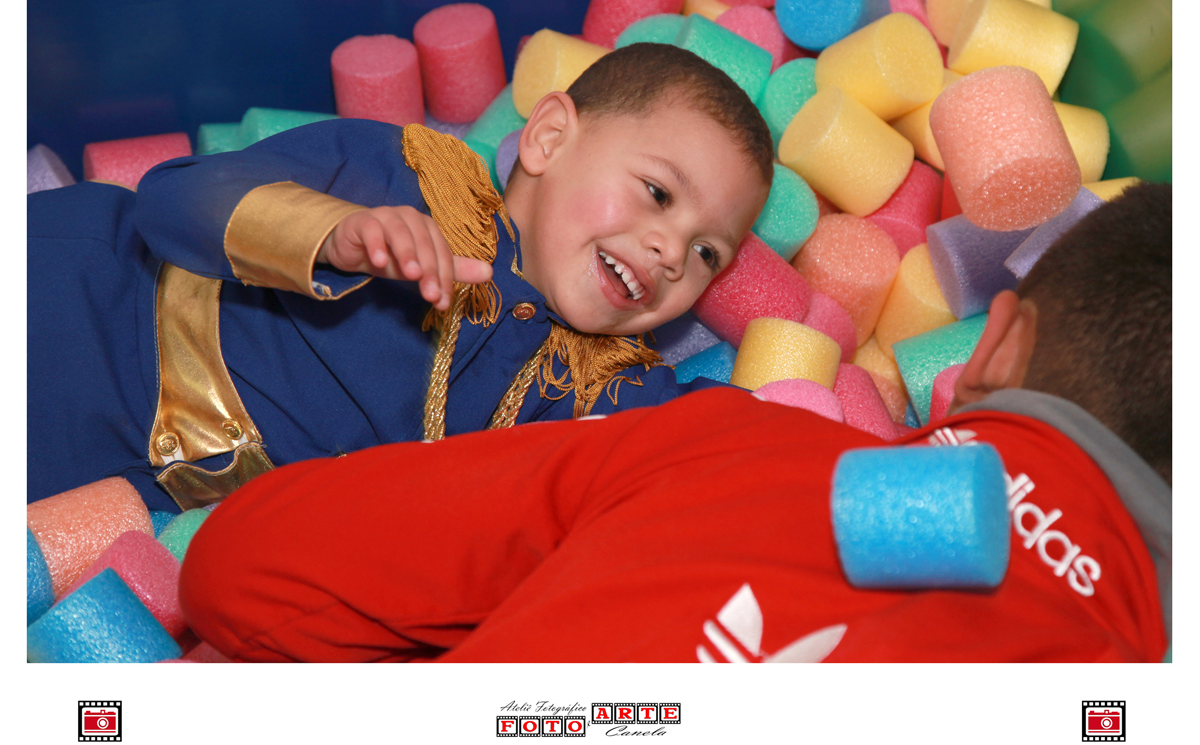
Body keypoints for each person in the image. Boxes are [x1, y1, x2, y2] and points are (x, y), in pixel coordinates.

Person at [178, 183, 1170, 662]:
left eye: (706, 251)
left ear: (990, 348)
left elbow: (241, 567)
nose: (662, 259)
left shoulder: (736, 440)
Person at [27, 43, 773, 513]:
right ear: (548, 139)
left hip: (126, 496)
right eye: (658, 194)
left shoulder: (603, 387)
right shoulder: (407, 171)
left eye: (708, 252)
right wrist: (332, 232)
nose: (672, 252)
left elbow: (725, 444)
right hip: (94, 311)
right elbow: (171, 199)